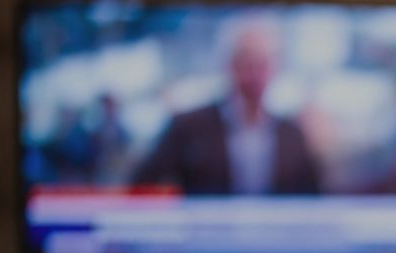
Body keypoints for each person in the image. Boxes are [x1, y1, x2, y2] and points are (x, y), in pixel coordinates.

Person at [132, 21, 319, 195]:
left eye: (262, 65)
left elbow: (314, 200)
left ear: (275, 68)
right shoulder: (188, 127)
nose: (255, 75)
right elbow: (142, 186)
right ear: (230, 65)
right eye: (248, 64)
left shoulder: (292, 135)